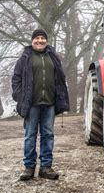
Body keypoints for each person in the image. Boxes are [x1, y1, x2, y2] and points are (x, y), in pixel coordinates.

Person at [11, 29, 70, 181]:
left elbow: (60, 79)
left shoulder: (53, 57)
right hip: (32, 104)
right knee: (30, 135)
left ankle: (46, 167)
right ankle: (29, 167)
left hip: (50, 103)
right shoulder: (25, 58)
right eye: (36, 38)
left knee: (48, 135)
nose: (40, 41)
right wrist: (20, 97)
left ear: (47, 41)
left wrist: (61, 98)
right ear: (32, 41)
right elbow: (16, 79)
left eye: (42, 38)